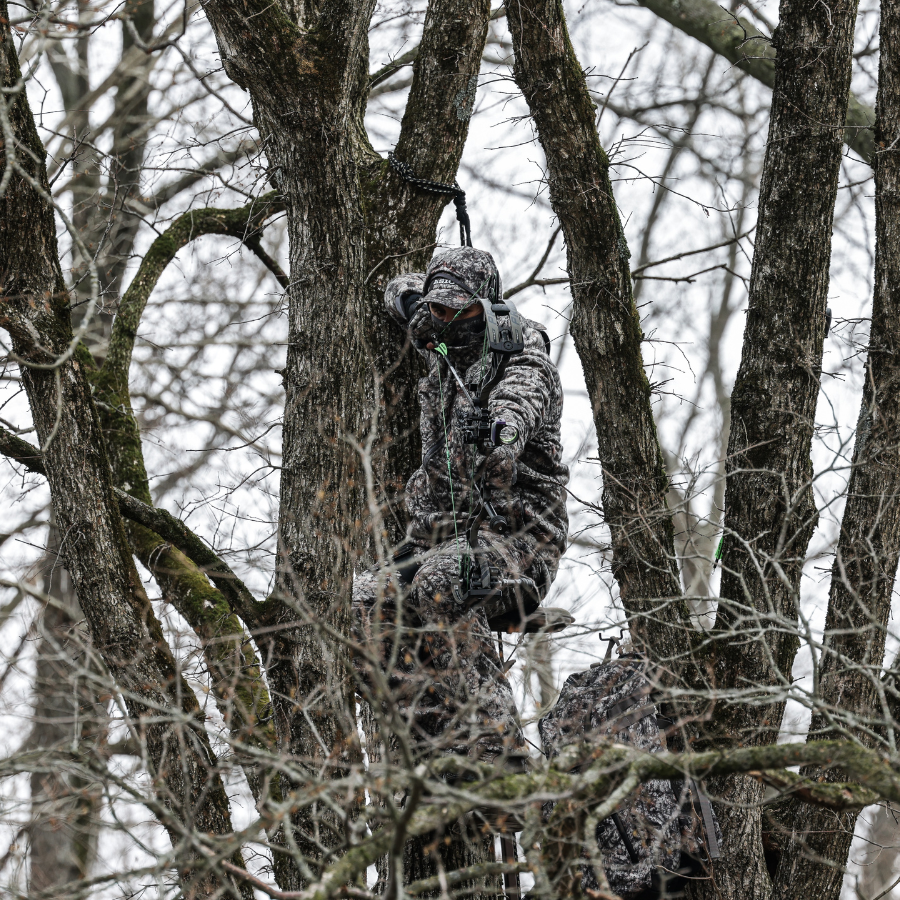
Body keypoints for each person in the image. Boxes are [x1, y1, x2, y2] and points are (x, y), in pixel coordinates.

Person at [353, 246, 568, 772]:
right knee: (361, 603)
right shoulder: (439, 333)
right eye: (437, 308)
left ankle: (502, 756)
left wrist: (498, 432)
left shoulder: (524, 360)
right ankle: (435, 746)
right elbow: (398, 286)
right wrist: (411, 302)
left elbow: (517, 408)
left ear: (489, 309)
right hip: (435, 539)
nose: (444, 319)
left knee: (442, 582)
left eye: (457, 309)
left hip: (518, 540)